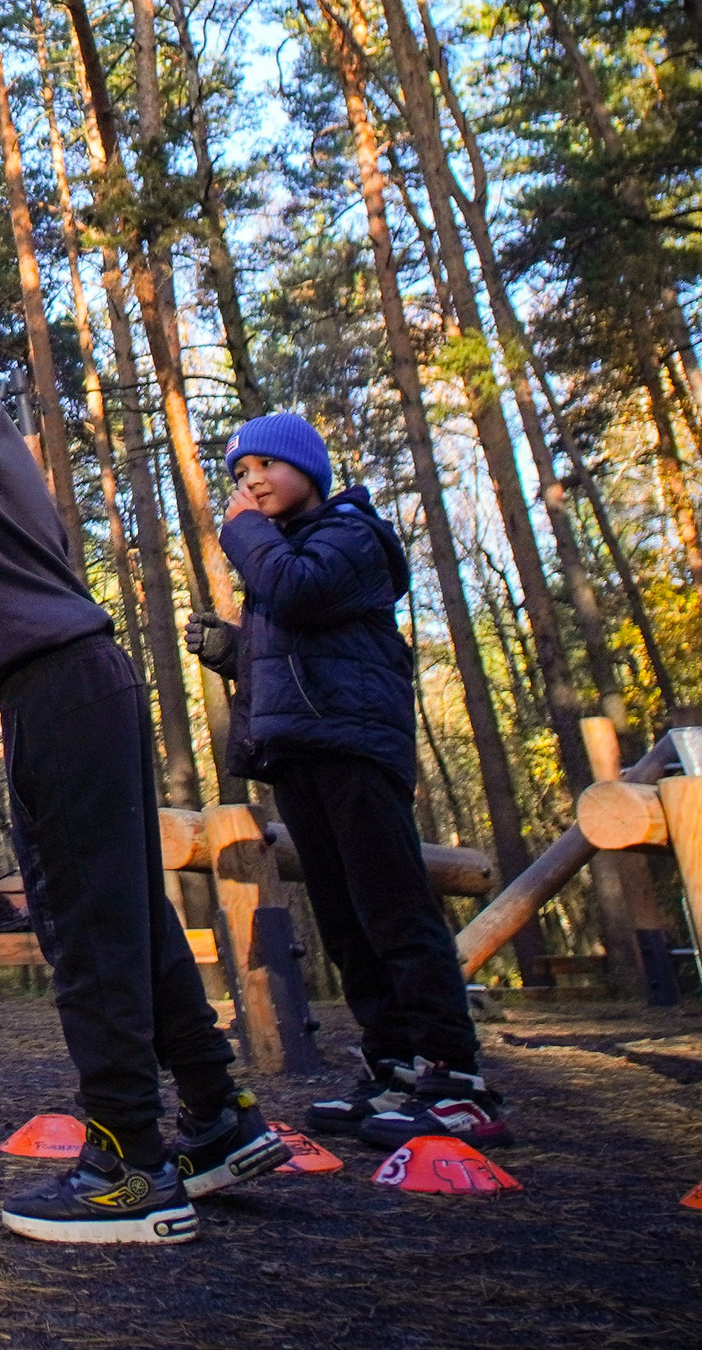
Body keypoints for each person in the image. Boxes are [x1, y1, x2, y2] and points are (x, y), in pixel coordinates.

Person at [0, 238, 285, 1247]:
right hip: (74, 683)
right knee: (124, 913)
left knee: (85, 926)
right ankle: (218, 1114)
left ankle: (129, 1164)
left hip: (65, 688)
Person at [186, 413, 508, 1149]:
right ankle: (394, 1066)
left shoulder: (350, 533)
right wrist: (234, 651)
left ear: (309, 469)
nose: (251, 483)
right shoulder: (287, 551)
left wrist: (243, 533)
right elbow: (301, 645)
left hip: (355, 746)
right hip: (301, 749)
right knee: (344, 922)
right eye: (239, 474)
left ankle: (457, 1081)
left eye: (265, 465)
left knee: (394, 911)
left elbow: (300, 594)